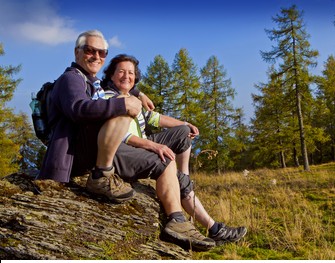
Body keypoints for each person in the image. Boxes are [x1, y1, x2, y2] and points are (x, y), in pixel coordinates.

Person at [37, 30, 214, 251]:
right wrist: (124, 105)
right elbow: (77, 110)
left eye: (102, 52)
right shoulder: (70, 79)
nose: (96, 56)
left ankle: (177, 220)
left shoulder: (92, 82)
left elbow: (118, 84)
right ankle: (102, 175)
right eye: (90, 50)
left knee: (165, 161)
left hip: (97, 149)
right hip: (74, 156)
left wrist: (138, 94)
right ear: (77, 52)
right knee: (123, 105)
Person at [100, 54, 247, 245]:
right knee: (167, 164)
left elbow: (155, 118)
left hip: (143, 141)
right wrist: (154, 145)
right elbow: (122, 137)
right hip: (127, 150)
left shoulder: (132, 96)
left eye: (131, 73)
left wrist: (185, 123)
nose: (126, 76)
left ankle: (184, 175)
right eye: (121, 71)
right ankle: (213, 227)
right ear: (111, 75)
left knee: (184, 132)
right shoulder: (110, 98)